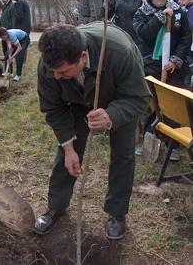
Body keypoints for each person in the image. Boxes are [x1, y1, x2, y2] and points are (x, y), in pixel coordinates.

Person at [33, 23, 151, 240]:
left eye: (63, 71)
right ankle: (56, 206)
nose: (57, 77)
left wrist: (111, 116)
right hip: (77, 99)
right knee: (67, 152)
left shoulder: (119, 52)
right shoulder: (49, 66)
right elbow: (53, 109)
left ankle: (117, 212)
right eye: (54, 72)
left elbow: (139, 98)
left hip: (119, 98)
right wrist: (69, 148)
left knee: (123, 155)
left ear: (83, 57)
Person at [133, 0, 192, 160]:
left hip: (174, 69)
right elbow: (144, 34)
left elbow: (186, 36)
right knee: (152, 104)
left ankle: (172, 145)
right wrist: (160, 18)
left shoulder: (179, 11)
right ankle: (150, 137)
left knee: (173, 105)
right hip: (152, 65)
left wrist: (176, 59)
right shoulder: (142, 13)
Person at [0, 0, 16, 75]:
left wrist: (12, 30)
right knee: (4, 49)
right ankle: (6, 65)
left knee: (9, 51)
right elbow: (2, 17)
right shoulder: (4, 5)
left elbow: (13, 18)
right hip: (3, 31)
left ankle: (10, 71)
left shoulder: (12, 5)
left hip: (8, 31)